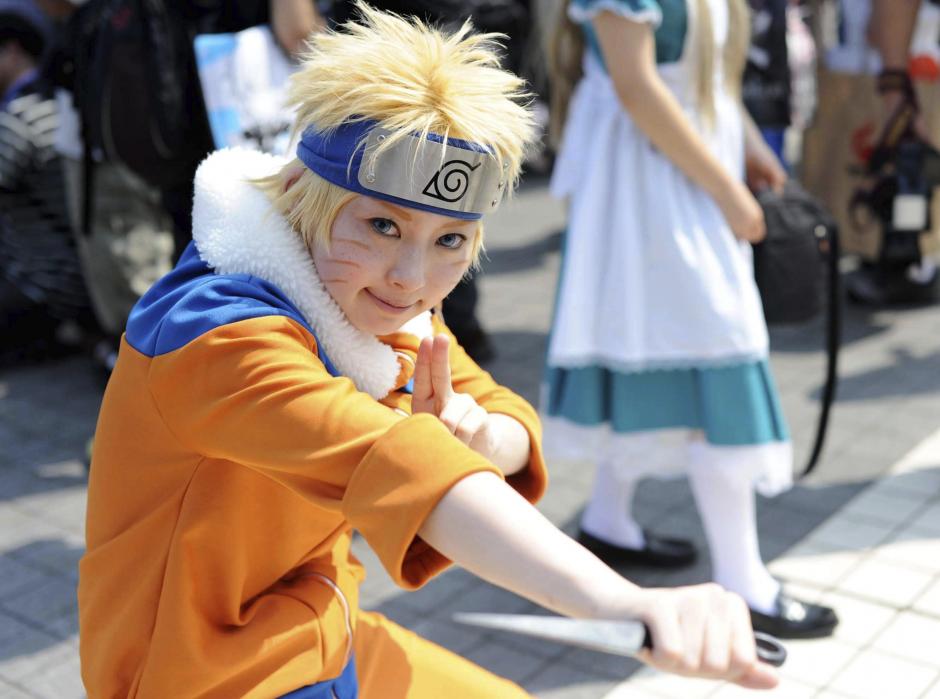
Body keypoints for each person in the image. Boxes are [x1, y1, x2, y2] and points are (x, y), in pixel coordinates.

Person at [77, 5, 780, 697]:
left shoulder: (366, 292)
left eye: (449, 241)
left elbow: (500, 414)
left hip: (327, 634)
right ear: (300, 194)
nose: (412, 279)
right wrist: (629, 605)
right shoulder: (217, 334)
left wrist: (481, 435)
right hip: (199, 675)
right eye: (382, 224)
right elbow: (407, 469)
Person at [542, 0, 838, 639]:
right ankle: (743, 580)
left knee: (642, 342)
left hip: (678, 171)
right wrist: (726, 189)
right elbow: (637, 86)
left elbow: (705, 74)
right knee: (713, 351)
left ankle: (608, 521)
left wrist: (750, 147)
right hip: (648, 186)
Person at [0, 0, 92, 359]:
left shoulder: (19, 117)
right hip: (74, 284)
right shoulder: (57, 102)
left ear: (12, 50)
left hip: (41, 288)